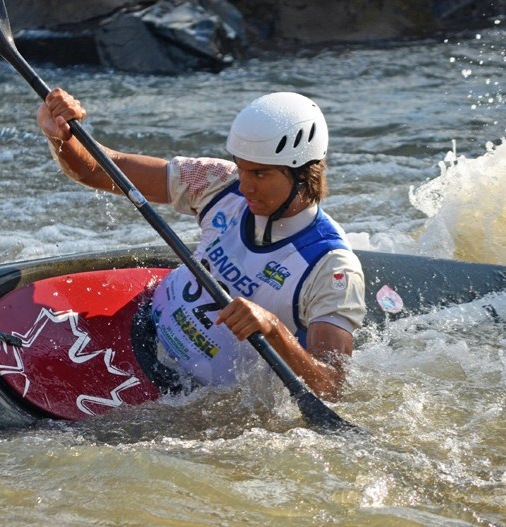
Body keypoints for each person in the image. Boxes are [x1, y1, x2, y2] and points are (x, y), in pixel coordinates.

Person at [36, 88, 366, 400]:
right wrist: (61, 136)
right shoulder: (218, 181)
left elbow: (331, 388)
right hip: (137, 333)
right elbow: (97, 170)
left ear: (304, 173)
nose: (245, 185)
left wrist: (274, 328)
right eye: (243, 168)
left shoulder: (331, 267)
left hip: (193, 400)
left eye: (261, 174)